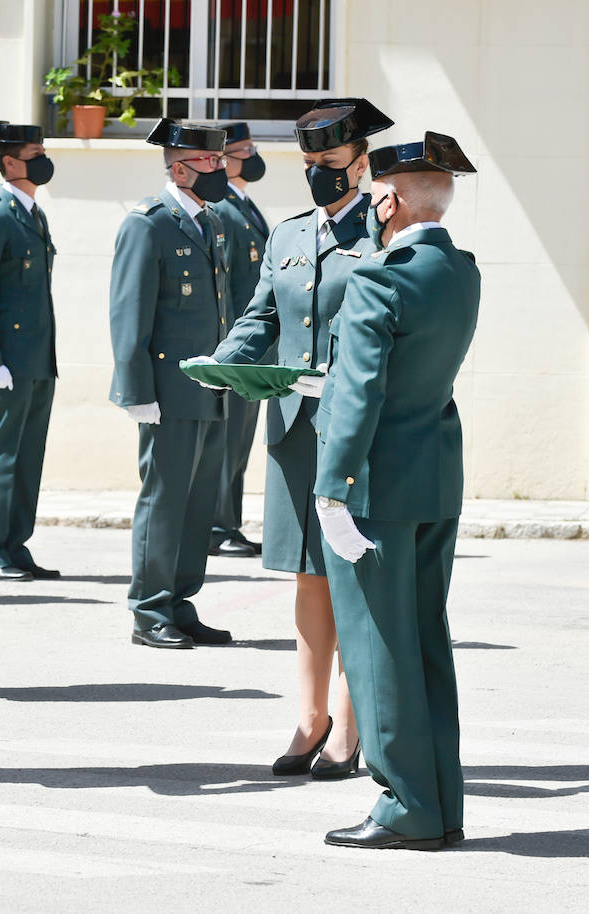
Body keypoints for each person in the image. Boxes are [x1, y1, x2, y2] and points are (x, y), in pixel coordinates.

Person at [201, 99, 393, 777]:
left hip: (357, 429)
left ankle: (351, 719)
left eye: (330, 164)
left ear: (361, 164)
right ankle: (309, 718)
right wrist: (223, 360)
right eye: (308, 164)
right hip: (292, 427)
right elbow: (261, 316)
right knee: (310, 574)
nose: (318, 176)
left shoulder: (384, 230)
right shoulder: (286, 236)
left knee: (357, 572)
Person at [314, 132, 481, 850]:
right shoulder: (460, 271)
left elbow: (358, 393)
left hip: (377, 486)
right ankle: (440, 803)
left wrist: (331, 488)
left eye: (375, 193)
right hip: (434, 479)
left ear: (390, 197)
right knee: (424, 645)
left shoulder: (381, 278)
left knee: (380, 647)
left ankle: (404, 805)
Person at [108, 118, 233, 650]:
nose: (219, 170)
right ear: (178, 168)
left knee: (198, 502)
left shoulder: (212, 221)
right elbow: (128, 313)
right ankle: (149, 609)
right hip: (166, 389)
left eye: (220, 161)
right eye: (209, 162)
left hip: (208, 387)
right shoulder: (148, 223)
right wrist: (136, 392)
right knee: (164, 501)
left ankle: (181, 602)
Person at [0, 121, 60, 583]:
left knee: (27, 456)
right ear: (9, 162)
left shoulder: (33, 214)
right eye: (34, 152)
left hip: (37, 359)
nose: (43, 159)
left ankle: (15, 544)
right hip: (5, 362)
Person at [207, 121, 270, 559]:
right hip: (238, 346)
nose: (253, 156)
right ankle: (216, 525)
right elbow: (224, 286)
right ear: (225, 159)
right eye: (244, 150)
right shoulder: (225, 209)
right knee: (228, 441)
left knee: (240, 441)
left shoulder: (243, 205)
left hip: (255, 349)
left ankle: (229, 522)